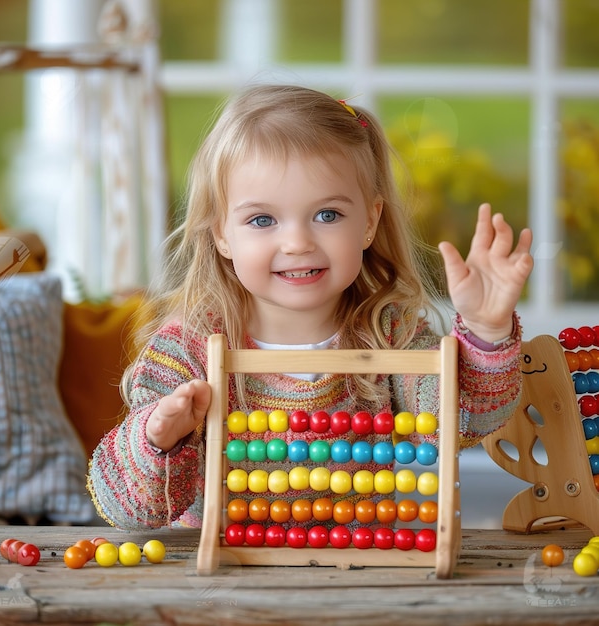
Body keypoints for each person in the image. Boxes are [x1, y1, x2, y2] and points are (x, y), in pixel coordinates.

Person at [87, 84, 533, 530]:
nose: (298, 243)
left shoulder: (389, 334)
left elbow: (458, 421)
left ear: (369, 222)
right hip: (222, 585)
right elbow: (131, 511)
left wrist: (484, 330)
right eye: (262, 220)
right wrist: (157, 440)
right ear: (222, 233)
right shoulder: (189, 346)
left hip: (353, 577)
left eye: (327, 215)